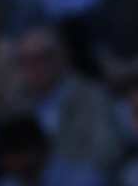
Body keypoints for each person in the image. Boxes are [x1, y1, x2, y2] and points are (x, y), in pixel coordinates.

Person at [8, 27, 127, 172]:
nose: (38, 67)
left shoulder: (93, 96)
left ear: (65, 56)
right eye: (29, 60)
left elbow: (107, 153)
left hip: (84, 183)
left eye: (45, 57)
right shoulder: (17, 103)